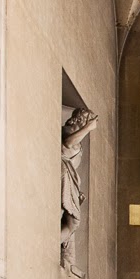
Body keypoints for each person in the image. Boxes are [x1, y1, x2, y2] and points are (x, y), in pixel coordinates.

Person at [60, 107, 98, 268]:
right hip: (62, 175)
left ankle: (60, 253)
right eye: (89, 120)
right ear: (83, 120)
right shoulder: (68, 131)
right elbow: (68, 144)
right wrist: (88, 128)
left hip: (69, 180)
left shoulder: (78, 138)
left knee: (72, 223)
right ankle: (48, 246)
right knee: (72, 222)